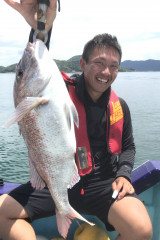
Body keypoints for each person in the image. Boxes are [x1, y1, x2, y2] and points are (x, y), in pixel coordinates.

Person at [0, 0, 152, 239]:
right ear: (82, 64)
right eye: (99, 63)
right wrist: (41, 27)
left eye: (113, 66)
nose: (105, 72)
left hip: (103, 185)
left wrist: (123, 173)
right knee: (1, 213)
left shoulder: (119, 106)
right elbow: (35, 68)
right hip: (56, 182)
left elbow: (128, 146)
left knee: (141, 229)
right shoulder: (59, 90)